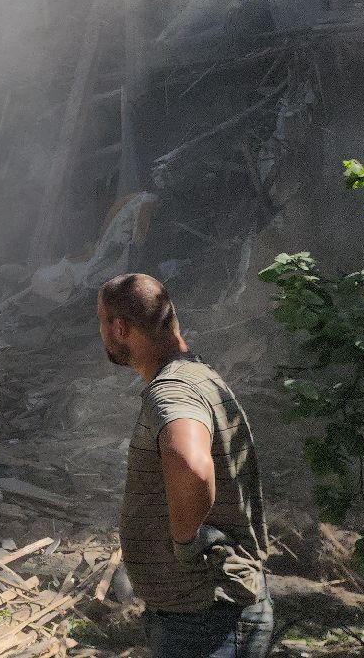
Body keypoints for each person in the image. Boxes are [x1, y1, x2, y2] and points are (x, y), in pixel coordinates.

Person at [98, 273, 273, 658]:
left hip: (206, 619)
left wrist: (184, 540)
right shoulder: (199, 376)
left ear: (120, 328)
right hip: (204, 613)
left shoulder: (172, 391)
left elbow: (192, 466)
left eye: (102, 323)